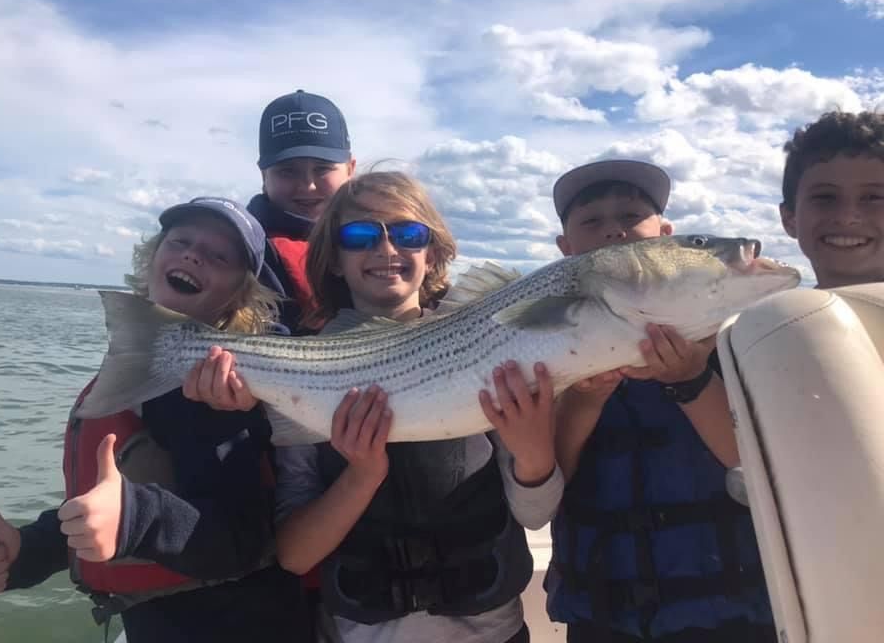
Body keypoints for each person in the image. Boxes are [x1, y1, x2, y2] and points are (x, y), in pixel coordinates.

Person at [0, 197, 309, 643]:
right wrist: (32, 550)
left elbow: (240, 541)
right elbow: (110, 503)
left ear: (238, 295)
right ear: (152, 257)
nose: (193, 255)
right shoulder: (143, 369)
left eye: (219, 256)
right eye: (180, 241)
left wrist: (133, 516)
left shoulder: (217, 394)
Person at [272, 171, 565, 643]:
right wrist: (362, 475)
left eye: (408, 234)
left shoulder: (489, 344)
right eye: (360, 235)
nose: (386, 250)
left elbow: (535, 515)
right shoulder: (305, 369)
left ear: (433, 255)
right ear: (334, 261)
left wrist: (532, 453)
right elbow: (296, 556)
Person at [545, 160, 775, 642]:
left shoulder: (734, 334)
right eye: (591, 222)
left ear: (666, 235)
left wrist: (691, 378)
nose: (614, 231)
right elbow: (543, 488)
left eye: (631, 216)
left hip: (731, 614)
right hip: (602, 614)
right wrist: (583, 403)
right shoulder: (545, 347)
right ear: (565, 249)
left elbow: (767, 469)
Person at [247, 89, 357, 331]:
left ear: (350, 169)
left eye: (323, 169)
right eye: (287, 171)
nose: (308, 185)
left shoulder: (395, 242)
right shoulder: (243, 254)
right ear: (264, 176)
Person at [779, 110, 884, 289]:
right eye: (825, 197)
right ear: (789, 219)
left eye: (873, 197)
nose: (847, 218)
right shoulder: (771, 316)